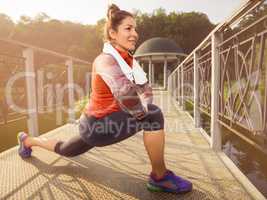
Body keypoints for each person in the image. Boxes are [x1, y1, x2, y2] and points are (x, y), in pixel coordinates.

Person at [17, 4, 192, 194]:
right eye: (128, 28)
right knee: (154, 116)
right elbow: (126, 94)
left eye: (135, 28)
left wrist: (144, 104)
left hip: (93, 125)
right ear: (113, 33)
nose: (135, 33)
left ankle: (27, 141)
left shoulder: (129, 61)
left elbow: (145, 88)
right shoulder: (105, 60)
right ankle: (160, 177)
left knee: (66, 149)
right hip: (96, 126)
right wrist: (145, 114)